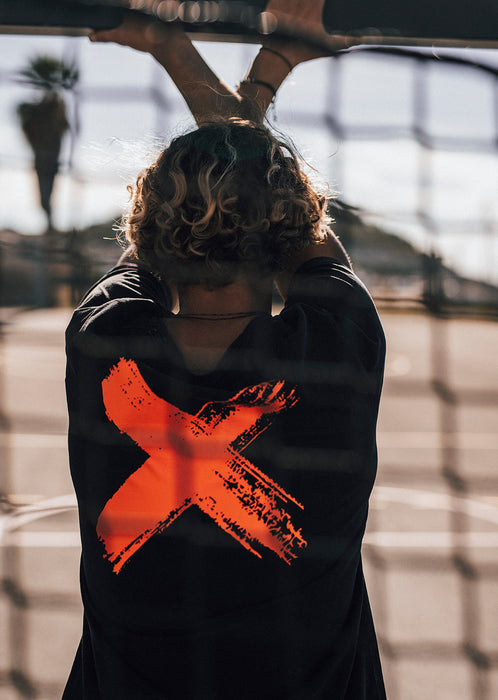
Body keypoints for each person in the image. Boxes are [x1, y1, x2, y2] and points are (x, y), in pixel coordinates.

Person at [64, 2, 386, 698]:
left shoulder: (105, 344)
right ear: (287, 232)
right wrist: (223, 60)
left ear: (147, 235)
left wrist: (229, 59)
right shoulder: (336, 347)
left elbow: (246, 203)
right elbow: (277, 203)